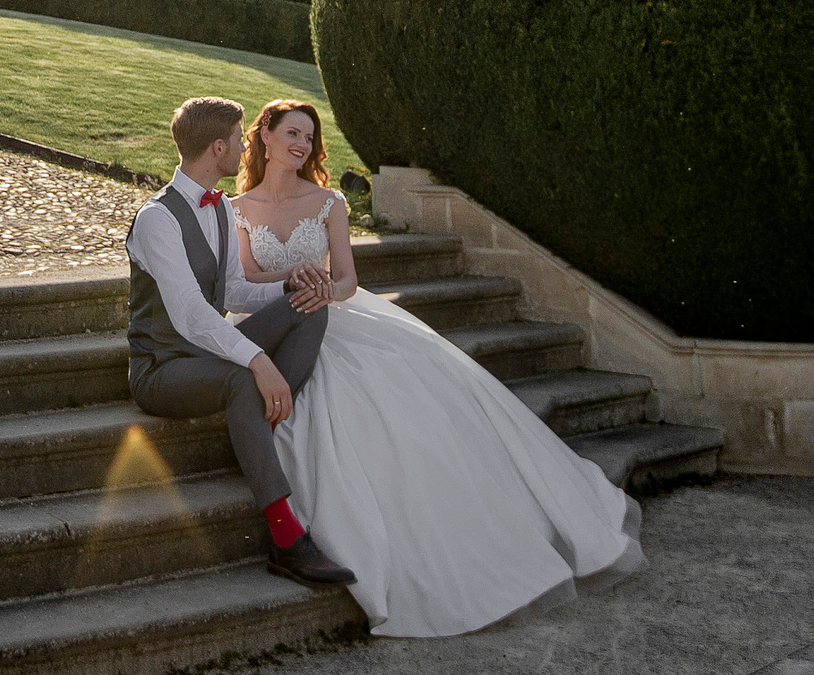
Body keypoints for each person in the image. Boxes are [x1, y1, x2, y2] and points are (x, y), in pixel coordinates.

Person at [234, 98, 646, 637]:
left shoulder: (329, 202)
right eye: (292, 132)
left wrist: (323, 290)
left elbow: (349, 281)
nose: (302, 145)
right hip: (272, 317)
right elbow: (244, 276)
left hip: (336, 314)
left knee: (396, 382)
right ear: (264, 134)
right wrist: (292, 277)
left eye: (309, 138)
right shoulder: (237, 208)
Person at [125, 97, 357, 588]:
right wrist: (257, 361)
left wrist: (291, 282)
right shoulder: (157, 219)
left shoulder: (222, 210)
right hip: (162, 367)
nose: (244, 145)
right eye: (237, 139)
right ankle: (286, 538)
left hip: (206, 350)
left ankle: (257, 432)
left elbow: (233, 291)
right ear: (217, 148)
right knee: (241, 382)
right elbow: (189, 315)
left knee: (310, 307)